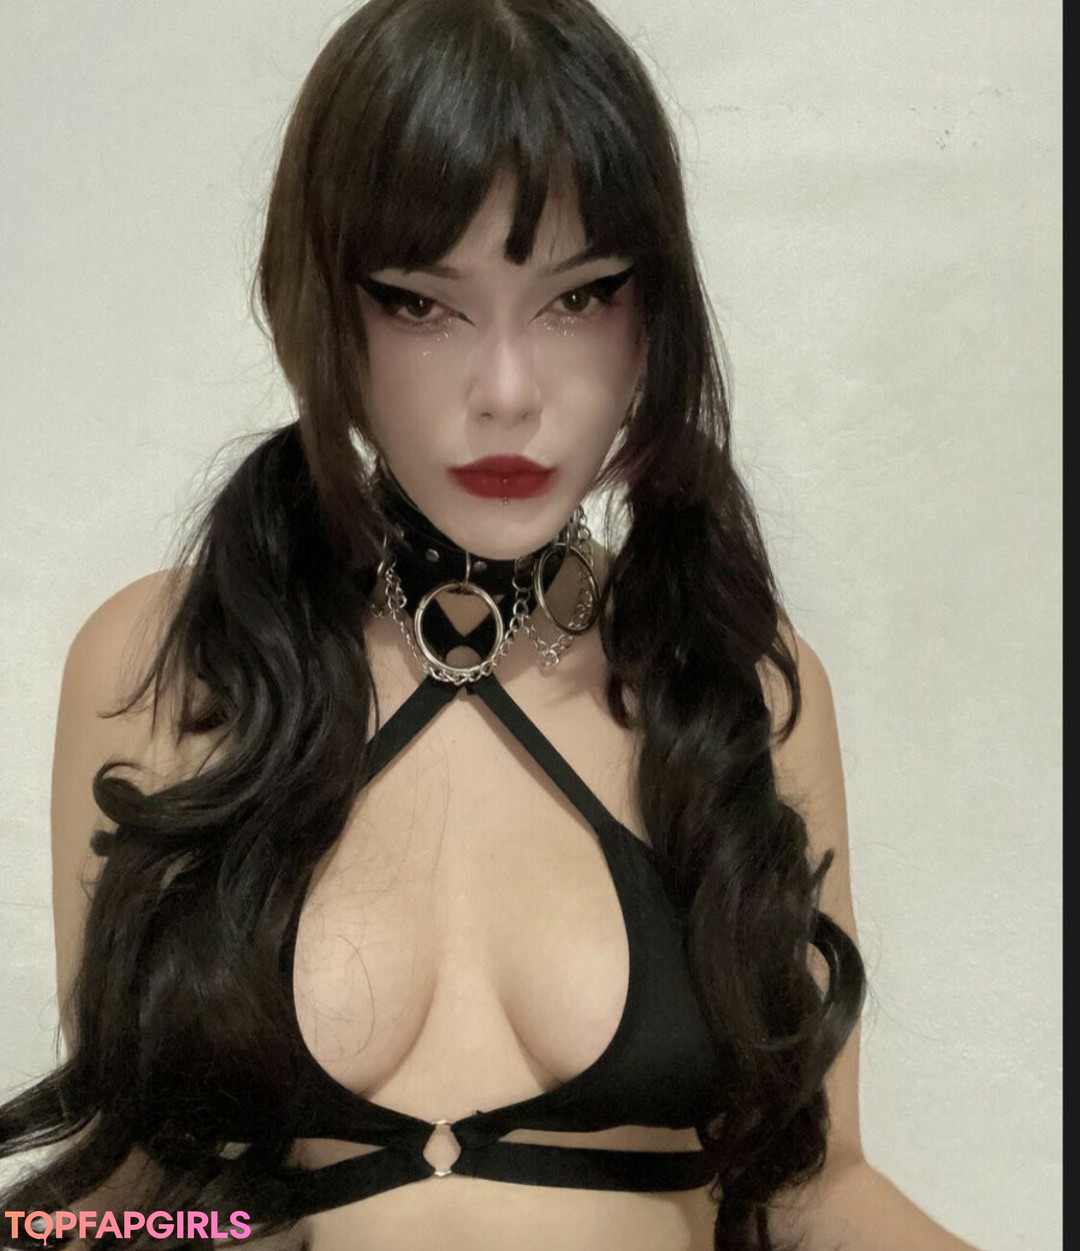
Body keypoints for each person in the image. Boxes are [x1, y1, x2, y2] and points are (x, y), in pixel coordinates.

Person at [0, 0, 992, 1248]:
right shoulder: (167, 667)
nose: (509, 392)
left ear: (655, 309)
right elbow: (143, 1196)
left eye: (579, 297)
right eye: (424, 304)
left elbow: (811, 1185)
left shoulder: (732, 679)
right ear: (322, 309)